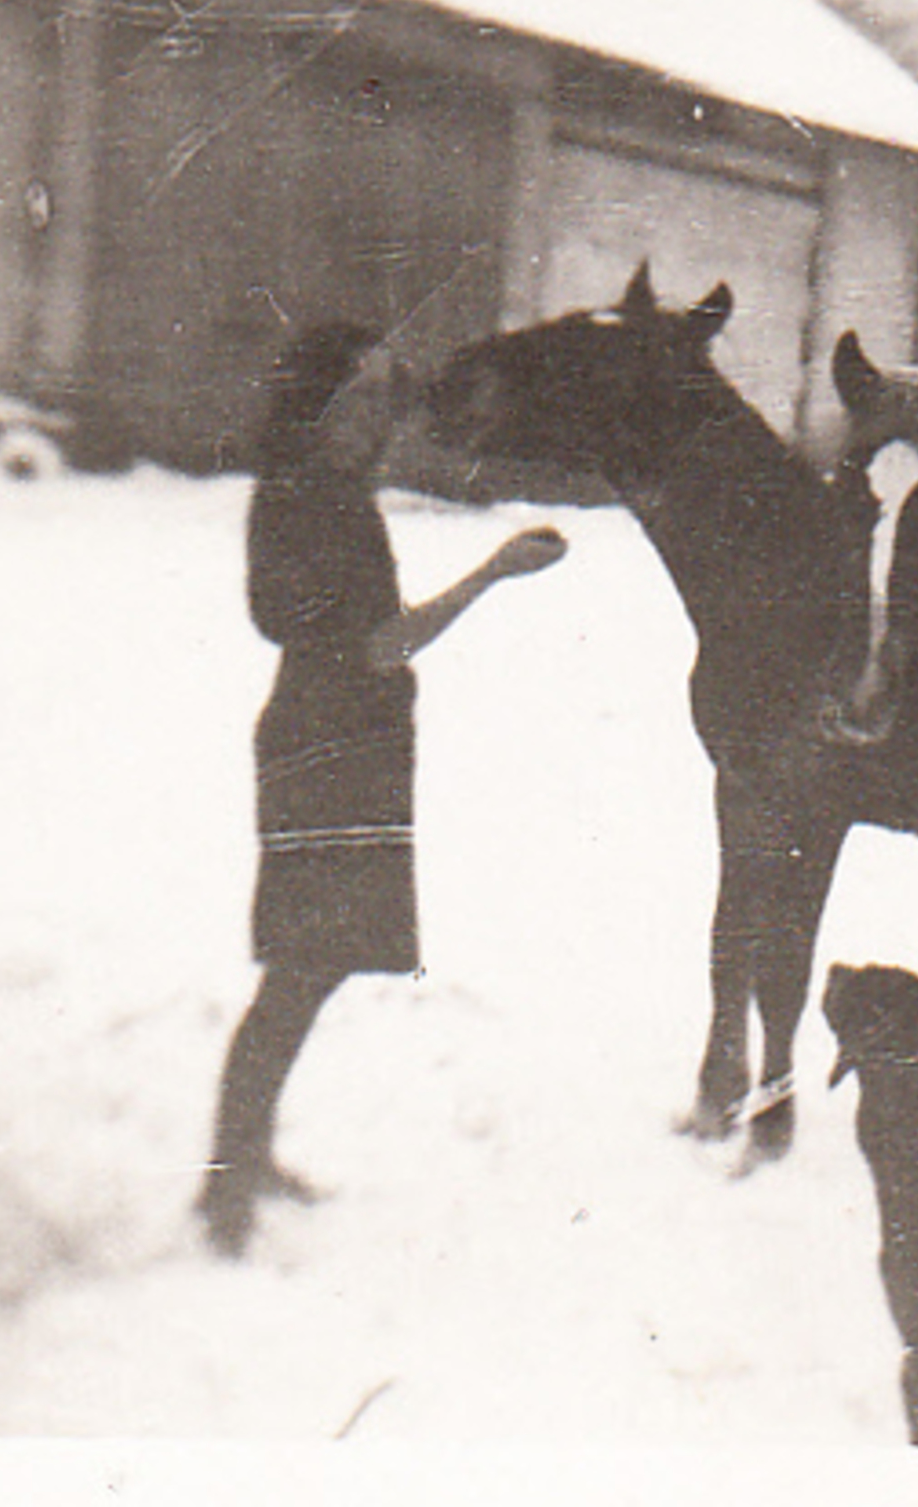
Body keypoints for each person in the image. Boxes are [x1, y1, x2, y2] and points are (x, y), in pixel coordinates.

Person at [197, 322, 567, 1258]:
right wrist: (493, 573)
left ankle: (243, 1160)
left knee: (308, 971)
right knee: (301, 971)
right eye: (357, 397)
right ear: (316, 404)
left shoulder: (319, 493)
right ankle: (227, 1188)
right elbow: (378, 644)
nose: (377, 416)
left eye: (380, 398)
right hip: (325, 751)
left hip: (346, 745)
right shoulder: (311, 501)